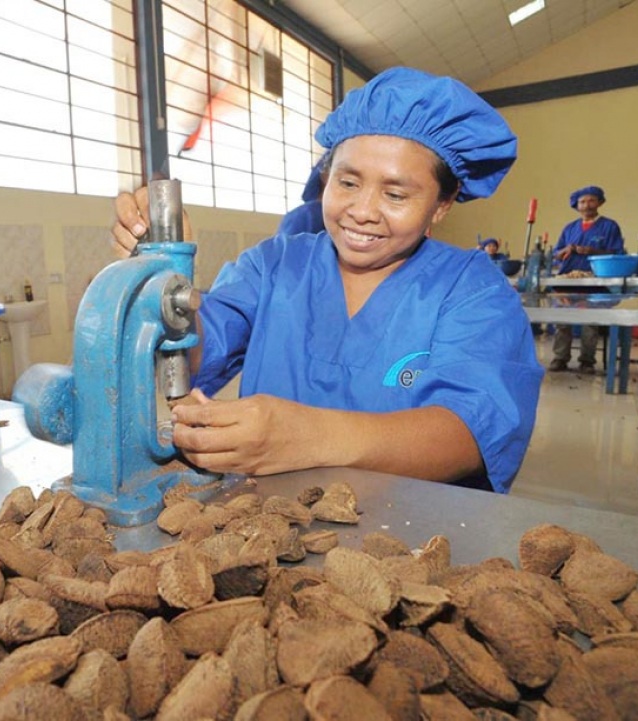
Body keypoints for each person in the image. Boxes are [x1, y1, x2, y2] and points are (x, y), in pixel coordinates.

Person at [112, 67, 543, 493]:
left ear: (442, 204)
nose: (362, 210)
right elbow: (199, 347)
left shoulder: (472, 290)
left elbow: (472, 434)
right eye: (348, 181)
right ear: (326, 177)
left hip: (409, 535)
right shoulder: (275, 266)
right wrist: (160, 281)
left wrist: (307, 436)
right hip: (271, 520)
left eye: (395, 195)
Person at [548, 186, 624, 374]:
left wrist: (591, 251)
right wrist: (564, 251)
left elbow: (616, 252)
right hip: (568, 279)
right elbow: (556, 254)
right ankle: (560, 358)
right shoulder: (570, 228)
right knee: (562, 320)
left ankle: (587, 360)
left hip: (594, 280)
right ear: (576, 205)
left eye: (591, 200)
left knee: (590, 322)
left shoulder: (609, 226)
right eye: (582, 201)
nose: (586, 205)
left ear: (599, 202)